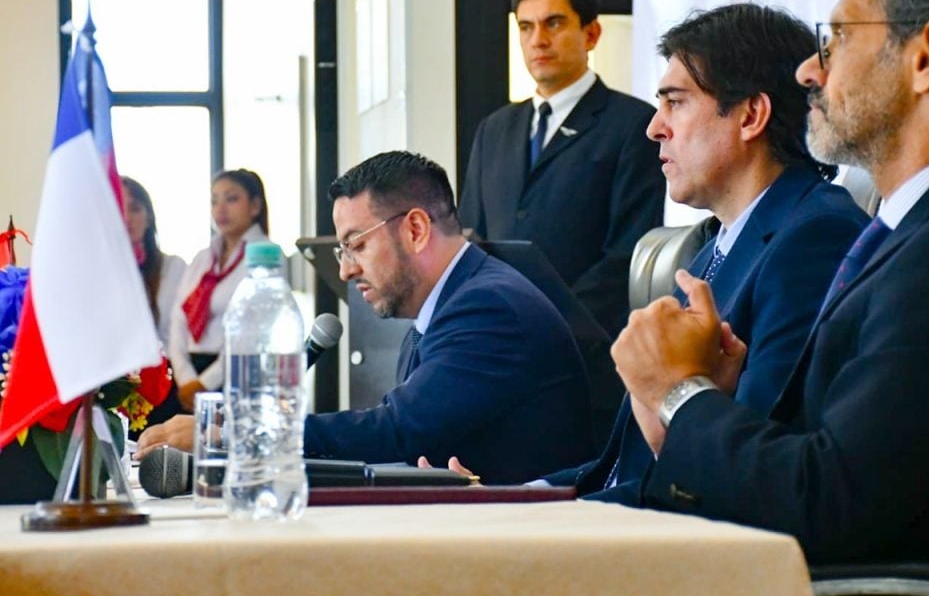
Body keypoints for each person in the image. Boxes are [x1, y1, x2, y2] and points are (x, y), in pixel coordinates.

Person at [610, 0, 929, 576]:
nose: (808, 72)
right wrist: (713, 399)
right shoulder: (928, 225)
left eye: (839, 38)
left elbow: (830, 502)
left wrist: (679, 395)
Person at [441, 4, 870, 504]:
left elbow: (741, 475)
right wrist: (513, 497)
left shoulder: (814, 238)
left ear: (751, 115)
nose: (654, 128)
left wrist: (538, 516)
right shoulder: (713, 247)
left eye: (676, 103)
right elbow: (621, 468)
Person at [139, 152, 593, 484]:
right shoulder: (450, 302)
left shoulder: (487, 307)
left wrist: (234, 434)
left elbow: (397, 430)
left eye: (355, 245)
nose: (345, 269)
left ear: (415, 229)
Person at [459, 0, 665, 340]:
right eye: (526, 27)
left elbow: (628, 253)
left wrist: (550, 320)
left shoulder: (633, 124)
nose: (538, 40)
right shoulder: (494, 130)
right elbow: (471, 237)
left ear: (591, 34)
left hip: (589, 344)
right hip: (500, 336)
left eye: (553, 23)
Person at [166, 168, 271, 413]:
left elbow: (251, 333)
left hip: (235, 373)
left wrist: (205, 383)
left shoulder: (266, 255)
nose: (220, 209)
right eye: (214, 201)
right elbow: (178, 319)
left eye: (231, 199)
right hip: (189, 376)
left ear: (255, 206)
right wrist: (186, 378)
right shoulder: (202, 258)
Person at [121, 176, 187, 427]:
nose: (126, 217)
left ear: (148, 217)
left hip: (161, 387)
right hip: (112, 386)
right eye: (118, 207)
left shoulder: (172, 268)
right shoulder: (96, 271)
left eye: (135, 208)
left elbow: (175, 337)